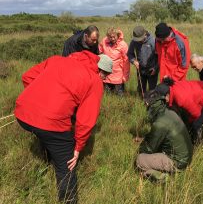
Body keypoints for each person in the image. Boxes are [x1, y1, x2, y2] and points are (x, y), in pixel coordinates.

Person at [14, 51, 113, 203]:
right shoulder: (94, 81)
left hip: (22, 114)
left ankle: (46, 156)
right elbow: (86, 121)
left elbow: (27, 77)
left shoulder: (57, 60)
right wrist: (78, 148)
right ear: (100, 70)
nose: (105, 80)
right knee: (66, 167)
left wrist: (39, 100)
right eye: (105, 75)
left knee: (46, 134)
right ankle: (69, 200)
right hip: (50, 123)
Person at [136, 90, 193, 182]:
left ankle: (164, 177)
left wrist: (141, 148)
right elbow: (161, 136)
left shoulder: (160, 122)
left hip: (178, 162)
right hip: (186, 157)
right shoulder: (169, 112)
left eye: (146, 104)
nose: (145, 107)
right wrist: (145, 138)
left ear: (151, 105)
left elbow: (149, 149)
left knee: (140, 160)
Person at [155, 77, 203, 145]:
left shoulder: (181, 99)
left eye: (162, 98)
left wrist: (187, 125)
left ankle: (200, 144)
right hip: (199, 92)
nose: (161, 101)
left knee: (196, 124)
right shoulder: (170, 88)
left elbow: (196, 114)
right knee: (185, 121)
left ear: (167, 95)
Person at [127, 26, 159, 96]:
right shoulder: (134, 41)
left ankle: (152, 104)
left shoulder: (153, 41)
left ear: (145, 34)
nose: (139, 41)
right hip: (140, 69)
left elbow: (159, 57)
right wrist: (133, 61)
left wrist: (155, 68)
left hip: (152, 70)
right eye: (137, 39)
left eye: (140, 39)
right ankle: (142, 102)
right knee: (141, 89)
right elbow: (129, 54)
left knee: (152, 90)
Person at [99, 27, 130, 96]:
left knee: (119, 95)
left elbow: (126, 61)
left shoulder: (123, 45)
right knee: (107, 95)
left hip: (118, 74)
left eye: (114, 37)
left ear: (117, 35)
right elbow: (99, 53)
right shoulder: (104, 41)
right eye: (110, 37)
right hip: (106, 74)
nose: (112, 39)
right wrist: (100, 70)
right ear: (107, 36)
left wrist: (125, 76)